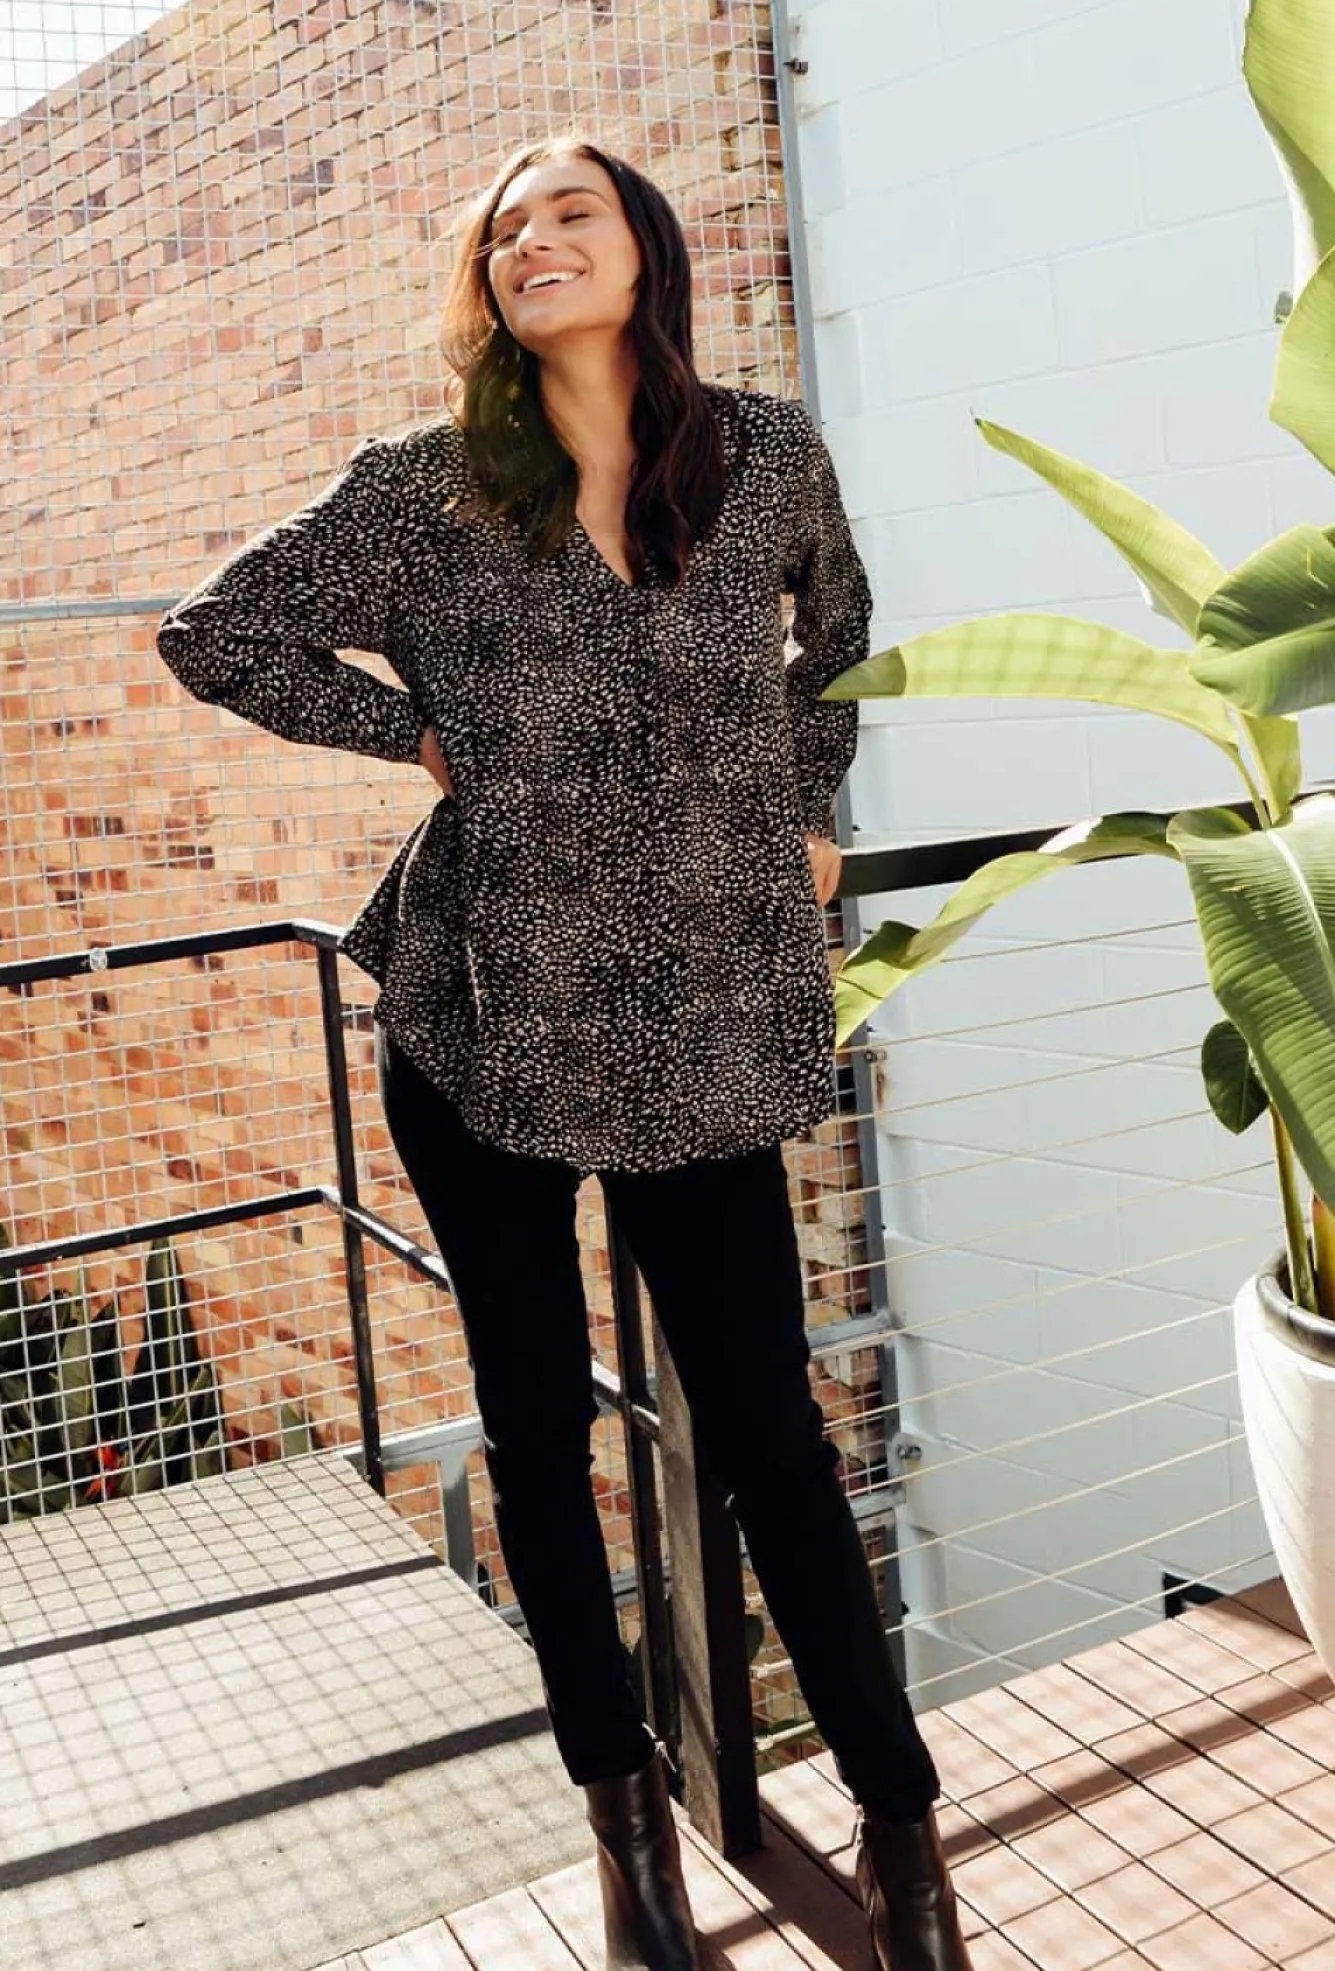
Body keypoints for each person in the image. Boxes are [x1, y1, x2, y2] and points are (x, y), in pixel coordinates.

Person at [156, 135, 973, 1971]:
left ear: (642, 247)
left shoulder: (760, 456)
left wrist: (810, 803)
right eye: (503, 228)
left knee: (770, 1428)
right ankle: (628, 1838)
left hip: (702, 1010)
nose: (532, 238)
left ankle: (903, 1831)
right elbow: (216, 634)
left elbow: (837, 637)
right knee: (535, 1432)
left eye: (569, 210)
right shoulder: (427, 486)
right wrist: (409, 738)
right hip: (483, 1013)